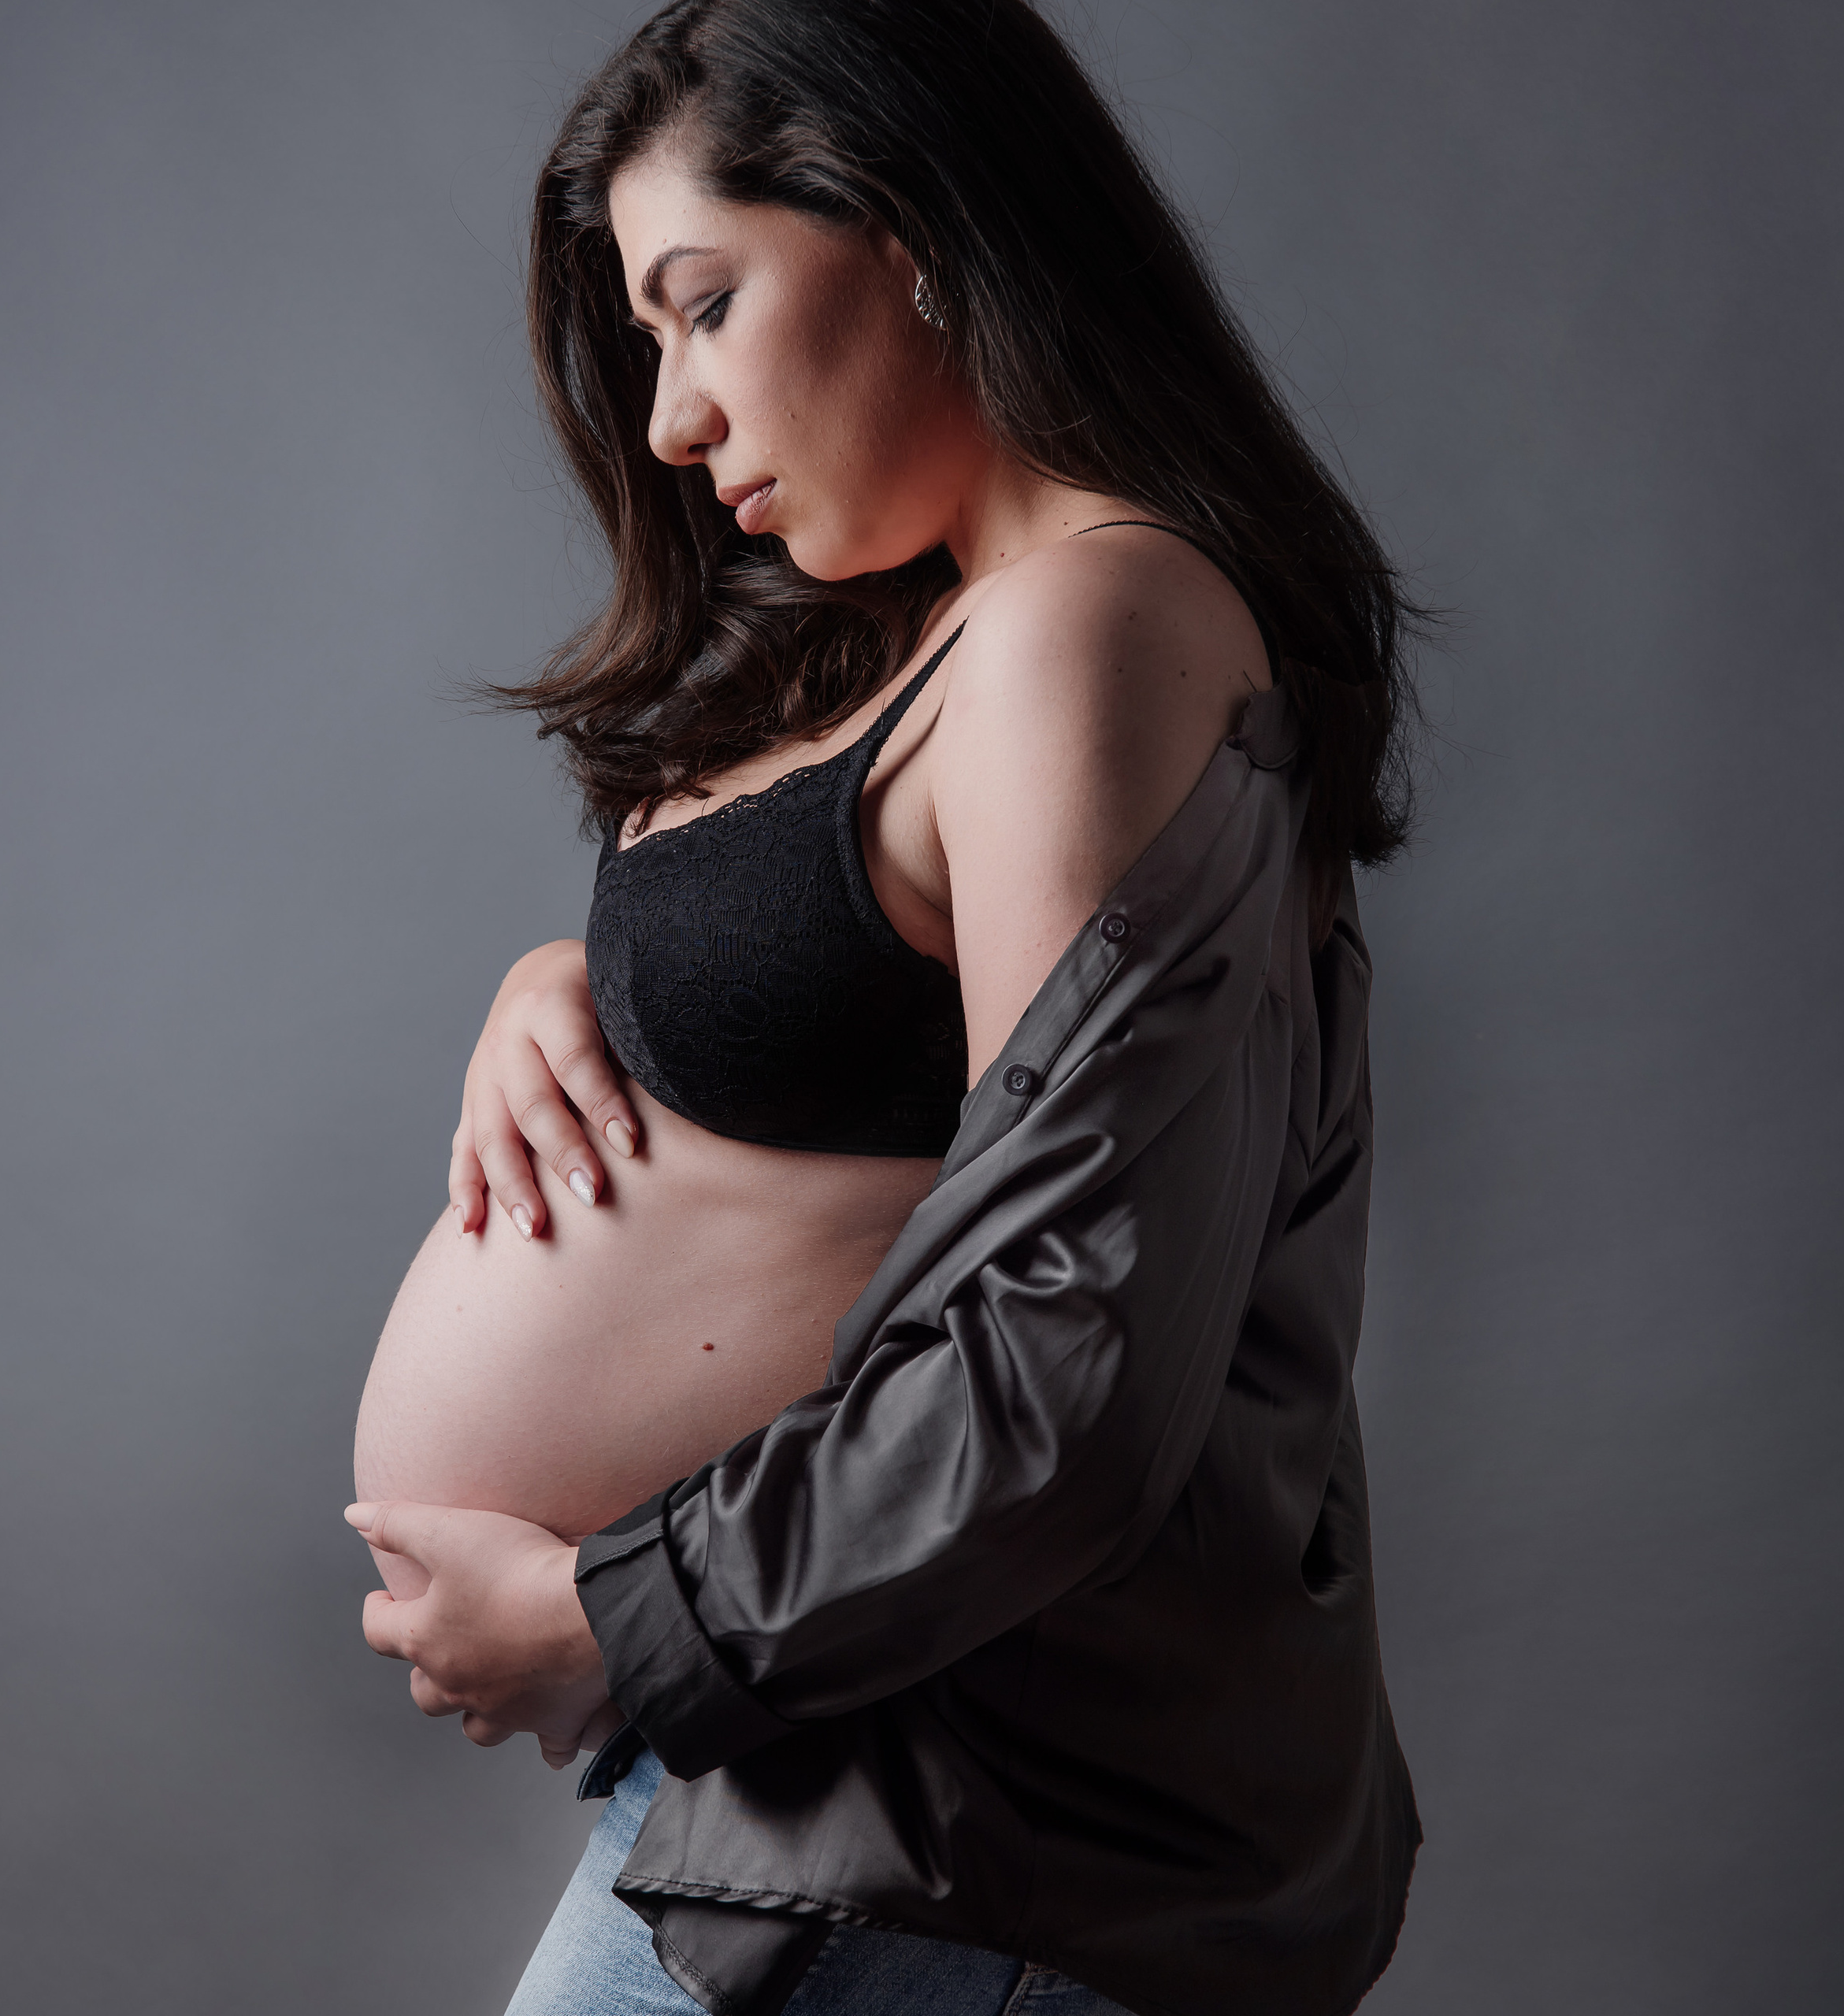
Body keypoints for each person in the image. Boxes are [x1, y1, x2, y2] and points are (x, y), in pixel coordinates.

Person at [347, 2, 1423, 2010]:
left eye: (701, 306)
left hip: (956, 1823)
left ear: (910, 230)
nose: (668, 417)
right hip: (817, 1762)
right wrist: (572, 985)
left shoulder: (1088, 617)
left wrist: (613, 1623)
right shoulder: (963, 629)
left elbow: (1072, 1352)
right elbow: (933, 1070)